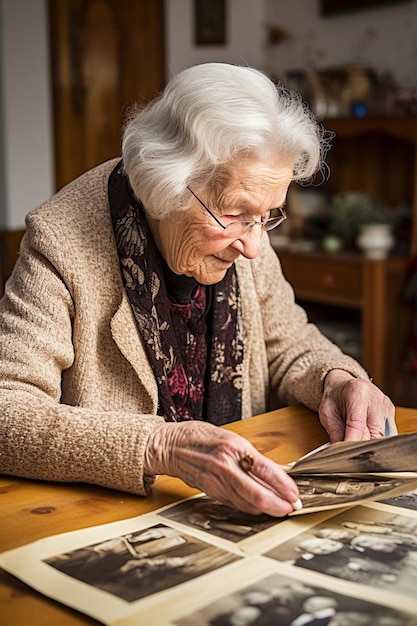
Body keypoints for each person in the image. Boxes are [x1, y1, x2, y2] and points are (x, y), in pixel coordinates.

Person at [0, 62, 395, 518]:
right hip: (111, 516)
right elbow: (8, 410)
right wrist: (161, 444)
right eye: (236, 215)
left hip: (239, 510)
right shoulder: (61, 242)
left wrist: (338, 379)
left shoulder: (249, 221)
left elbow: (289, 343)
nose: (253, 246)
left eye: (269, 216)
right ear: (165, 185)